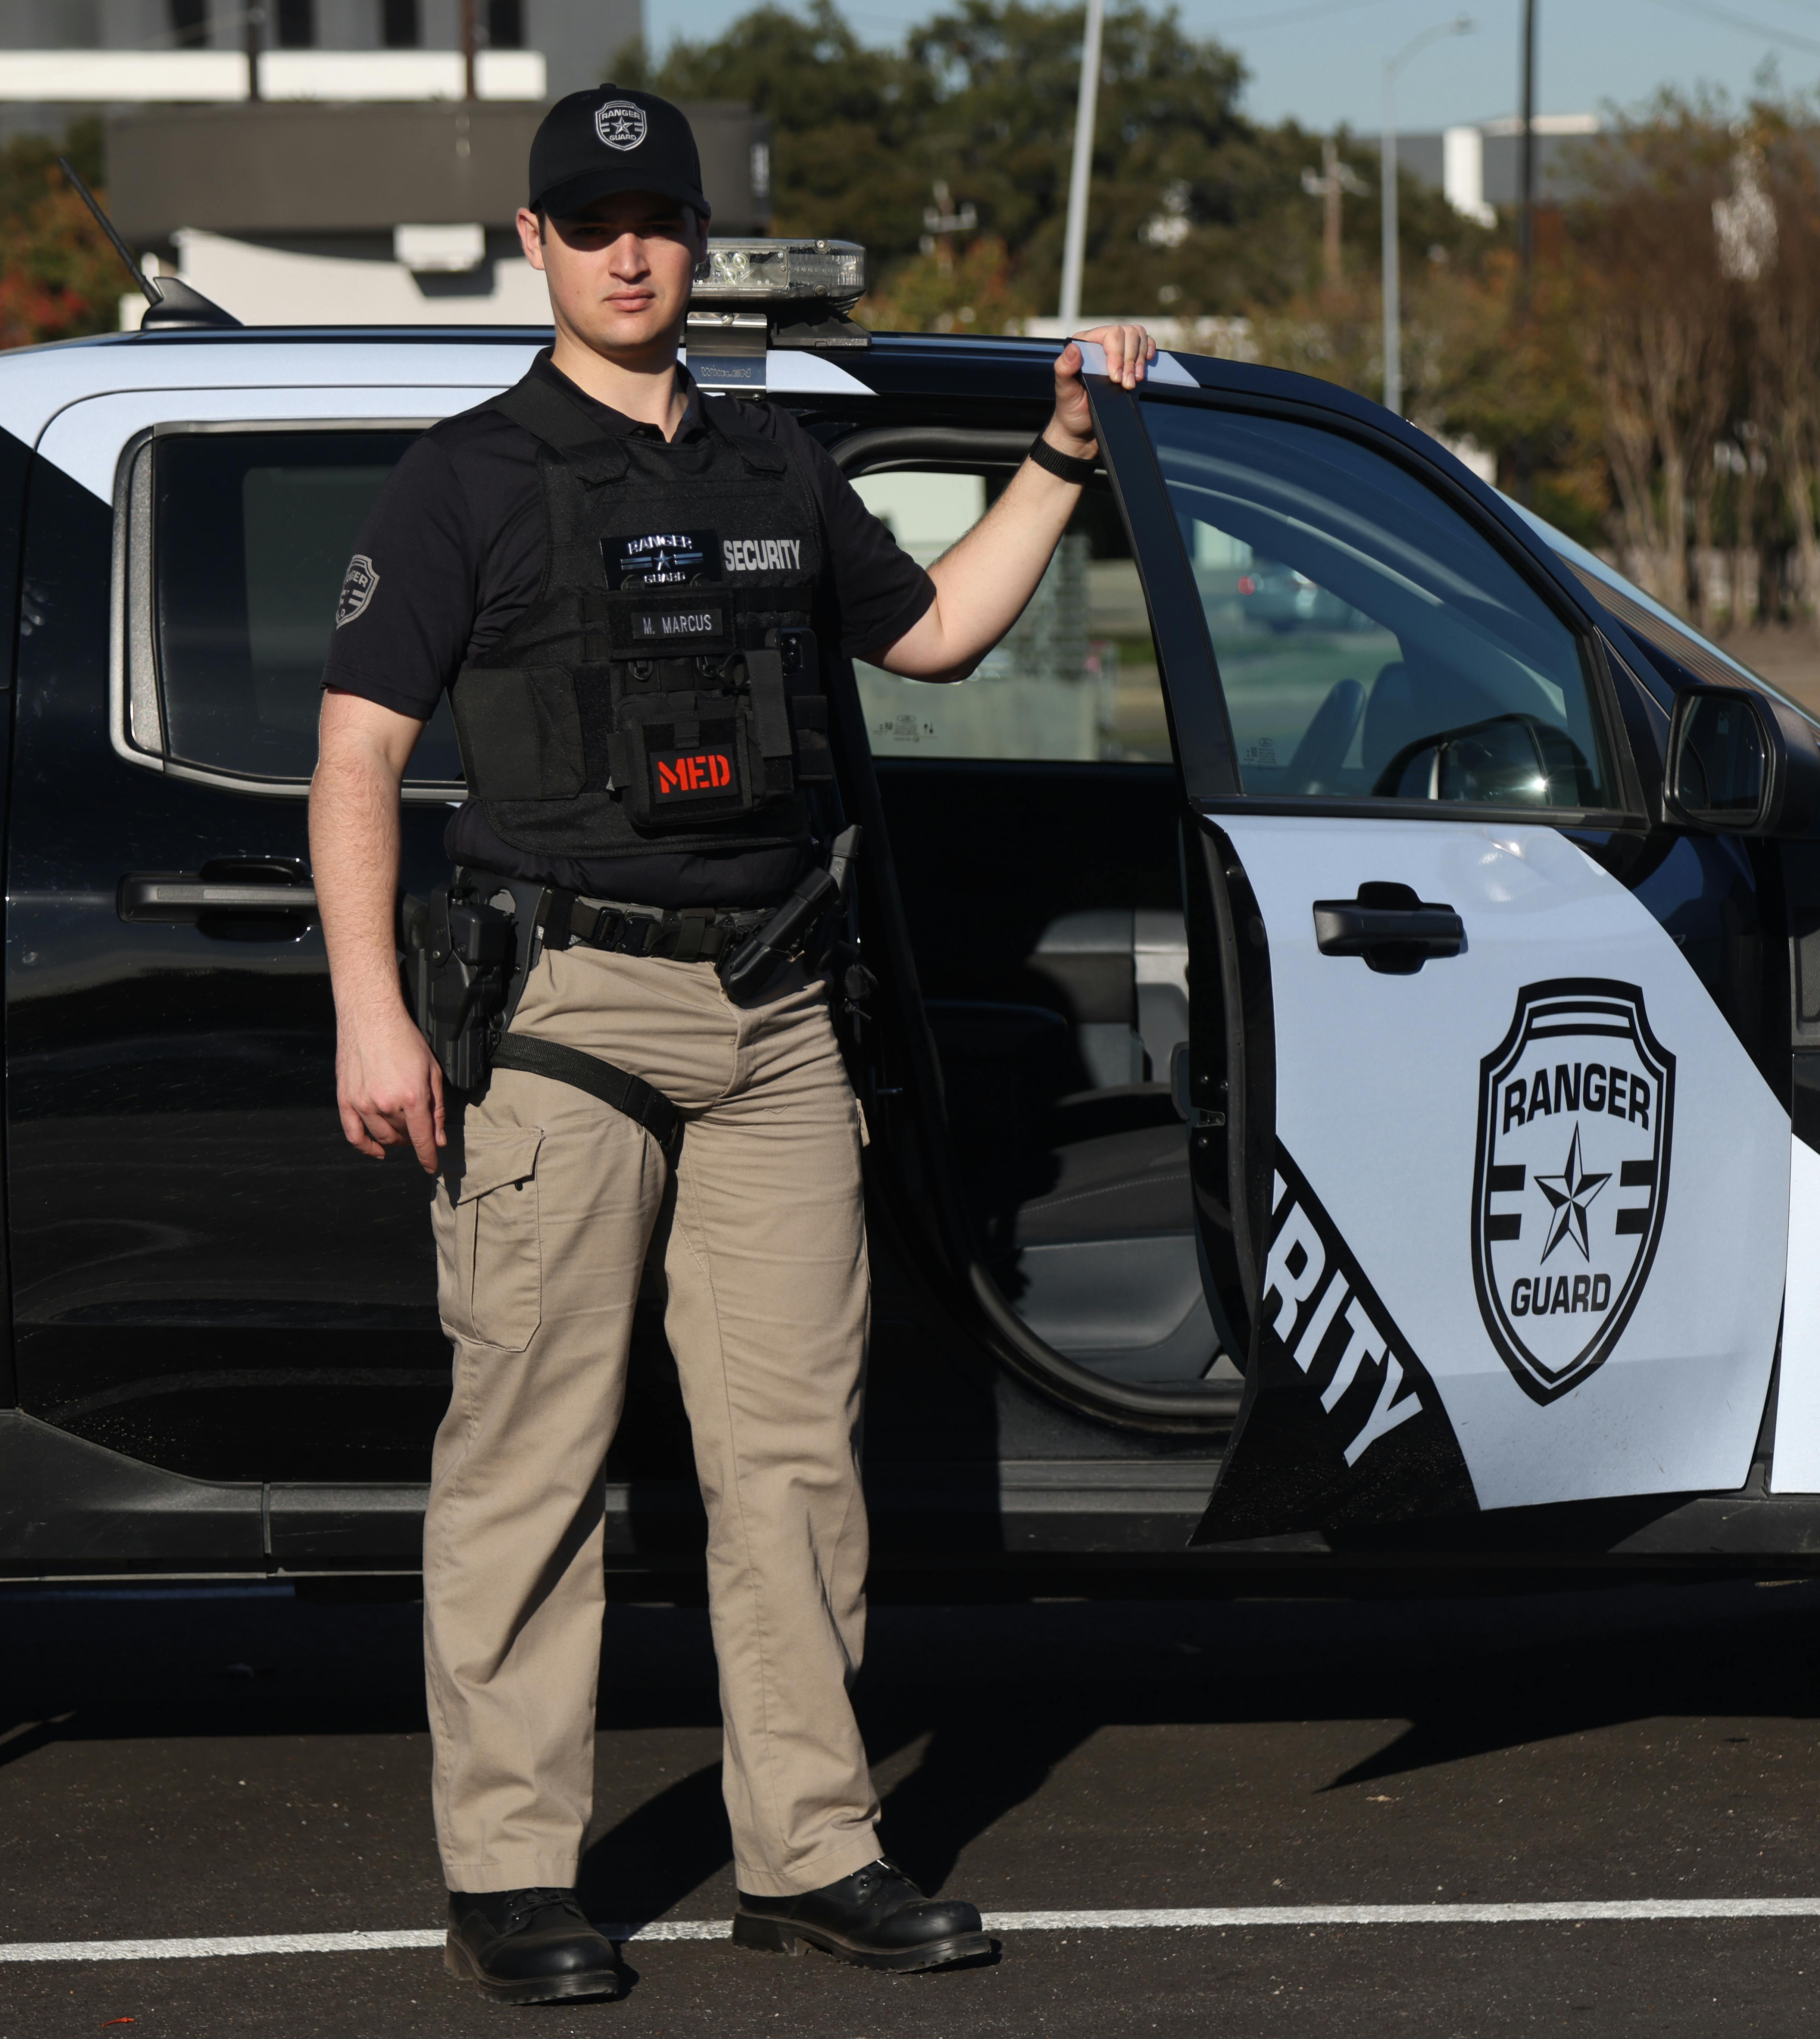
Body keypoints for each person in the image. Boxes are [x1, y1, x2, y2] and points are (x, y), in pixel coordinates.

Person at [310, 81, 1154, 2007]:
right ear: (533, 245)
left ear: (695, 243)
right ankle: (515, 1870)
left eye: (659, 221)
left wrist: (1064, 457)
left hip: (778, 1014)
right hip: (566, 1018)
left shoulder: (778, 464)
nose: (628, 251)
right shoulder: (460, 478)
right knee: (534, 1455)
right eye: (590, 221)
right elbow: (355, 754)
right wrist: (374, 1008)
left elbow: (934, 636)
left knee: (793, 1458)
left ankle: (814, 1851)